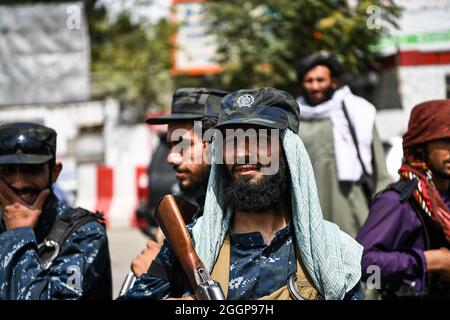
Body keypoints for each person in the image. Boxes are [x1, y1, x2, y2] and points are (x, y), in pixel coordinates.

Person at [122, 87, 363, 300]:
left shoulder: (335, 251)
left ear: (288, 151)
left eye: (258, 138)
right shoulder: (193, 243)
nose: (241, 153)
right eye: (231, 141)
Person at [0, 122, 112, 299]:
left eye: (32, 170)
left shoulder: (84, 234)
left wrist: (19, 235)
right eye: (7, 171)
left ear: (54, 172)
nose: (19, 183)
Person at [130, 88, 228, 278]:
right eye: (171, 145)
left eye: (183, 144)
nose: (171, 158)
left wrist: (157, 273)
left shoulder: (246, 218)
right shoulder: (196, 214)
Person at [357, 100, 450, 299]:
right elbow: (363, 264)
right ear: (420, 147)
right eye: (445, 141)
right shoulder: (398, 202)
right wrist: (431, 260)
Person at [294, 51, 391, 237]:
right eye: (309, 80)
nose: (315, 86)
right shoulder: (294, 117)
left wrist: (382, 213)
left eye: (320, 80)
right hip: (307, 216)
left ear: (333, 82)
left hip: (352, 213)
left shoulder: (357, 111)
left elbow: (381, 173)